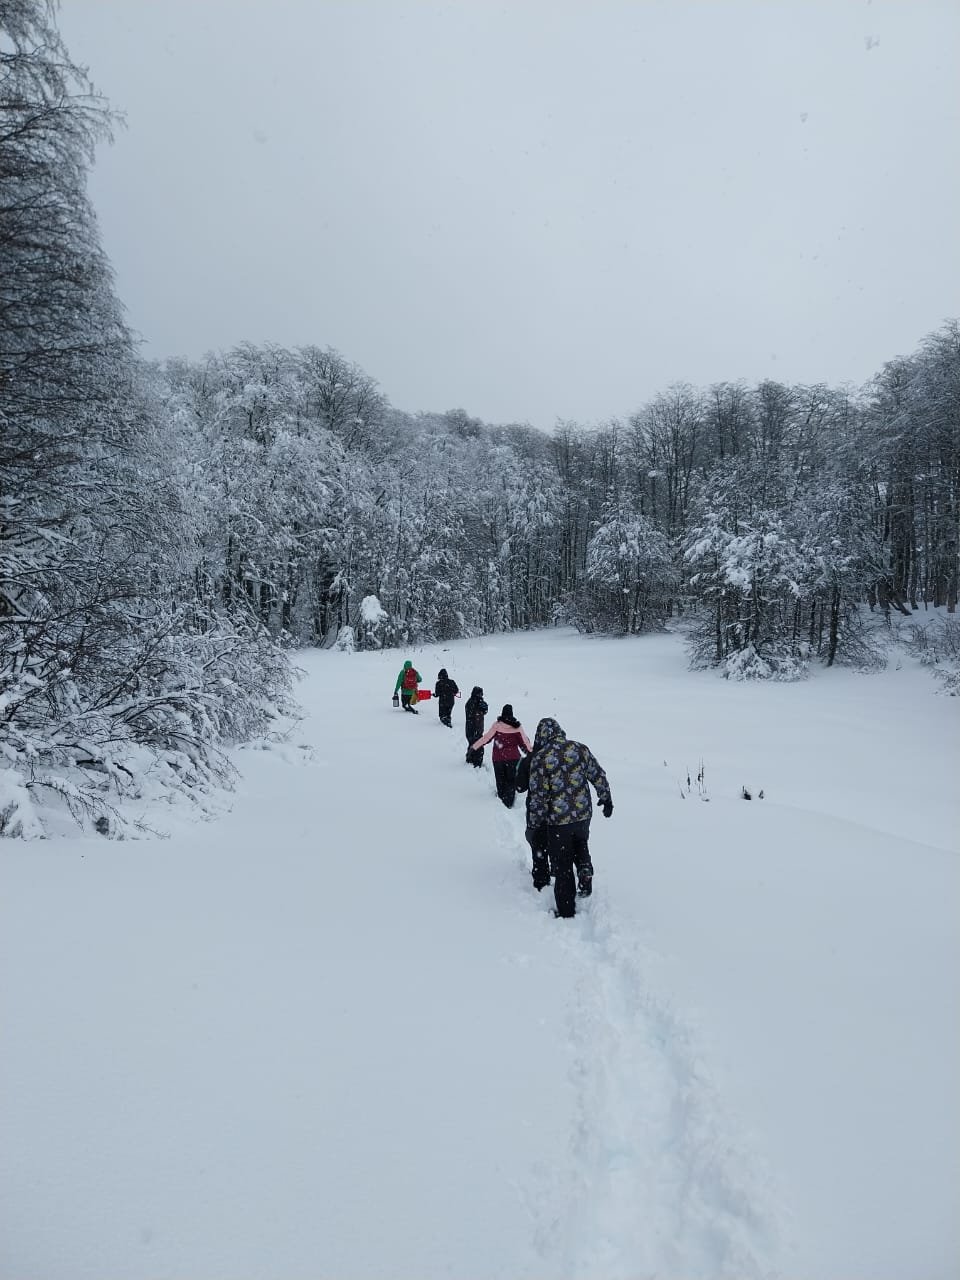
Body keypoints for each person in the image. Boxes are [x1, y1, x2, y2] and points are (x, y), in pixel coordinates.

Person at [526, 717, 613, 918]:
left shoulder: (541, 758)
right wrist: (606, 798)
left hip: (558, 821)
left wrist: (535, 824)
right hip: (583, 815)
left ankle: (566, 912)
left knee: (562, 864)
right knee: (580, 842)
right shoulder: (579, 749)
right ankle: (584, 868)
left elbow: (539, 796)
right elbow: (597, 774)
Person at [470, 704, 532, 808]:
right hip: (513, 759)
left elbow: (486, 738)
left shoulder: (497, 726)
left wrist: (474, 747)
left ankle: (501, 798)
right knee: (511, 781)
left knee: (500, 780)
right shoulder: (517, 727)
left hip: (498, 759)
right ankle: (508, 802)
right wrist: (533, 754)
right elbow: (525, 743)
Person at [515, 745, 551, 891]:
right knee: (558, 842)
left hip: (536, 811)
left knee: (537, 842)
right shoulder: (562, 754)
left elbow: (520, 787)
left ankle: (541, 881)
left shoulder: (531, 758)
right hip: (560, 810)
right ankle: (558, 872)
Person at [464, 686, 488, 767]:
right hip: (472, 727)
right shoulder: (471, 702)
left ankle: (473, 759)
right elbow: (470, 715)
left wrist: (483, 706)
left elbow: (484, 711)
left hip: (477, 727)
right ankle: (474, 760)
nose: (481, 696)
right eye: (480, 694)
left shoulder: (478, 702)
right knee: (475, 744)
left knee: (476, 744)